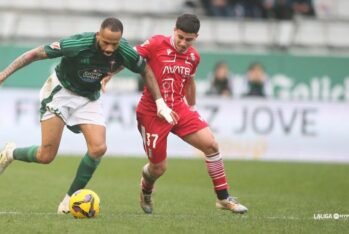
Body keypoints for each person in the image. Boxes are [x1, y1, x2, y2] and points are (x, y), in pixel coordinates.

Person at [0, 17, 177, 214]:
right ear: (98, 35)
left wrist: (160, 103)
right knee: (46, 156)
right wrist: (3, 75)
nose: (110, 48)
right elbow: (34, 54)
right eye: (106, 42)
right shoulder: (77, 44)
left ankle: (69, 201)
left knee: (98, 148)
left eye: (114, 44)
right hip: (61, 93)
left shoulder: (124, 50)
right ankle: (10, 153)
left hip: (89, 98)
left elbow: (146, 70)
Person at [134, 14, 248, 214]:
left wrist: (192, 109)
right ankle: (146, 187)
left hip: (179, 108)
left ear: (196, 37)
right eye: (180, 37)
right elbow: (128, 56)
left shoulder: (194, 56)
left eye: (189, 39)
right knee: (158, 168)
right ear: (174, 30)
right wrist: (107, 75)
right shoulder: (155, 43)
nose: (183, 43)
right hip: (152, 112)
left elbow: (189, 82)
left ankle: (223, 198)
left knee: (211, 145)